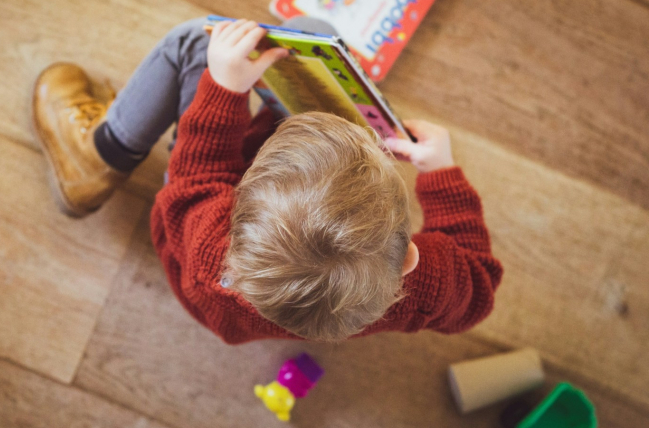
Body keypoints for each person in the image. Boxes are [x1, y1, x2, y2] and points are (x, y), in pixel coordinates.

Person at [32, 18, 503, 343]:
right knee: (313, 36)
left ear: (241, 208)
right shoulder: (425, 284)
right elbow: (478, 287)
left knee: (193, 43)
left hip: (192, 219)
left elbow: (201, 174)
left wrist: (224, 88)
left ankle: (97, 157)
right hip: (272, 309)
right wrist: (441, 174)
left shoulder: (212, 246)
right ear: (409, 260)